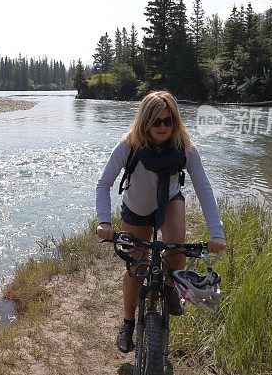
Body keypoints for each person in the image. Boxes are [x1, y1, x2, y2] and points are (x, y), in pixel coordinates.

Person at [95, 90, 227, 353]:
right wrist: (104, 222)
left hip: (169, 202)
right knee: (136, 268)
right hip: (136, 209)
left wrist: (217, 232)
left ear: (175, 122)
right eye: (156, 121)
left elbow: (203, 188)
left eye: (169, 121)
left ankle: (169, 288)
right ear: (145, 121)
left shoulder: (185, 149)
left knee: (176, 247)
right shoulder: (128, 146)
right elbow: (103, 183)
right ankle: (128, 324)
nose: (163, 127)